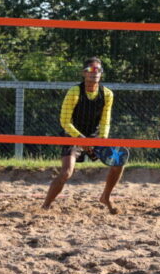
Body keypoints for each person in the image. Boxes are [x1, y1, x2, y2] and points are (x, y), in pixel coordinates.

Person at [42, 57, 121, 214]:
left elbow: (106, 121)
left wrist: (102, 139)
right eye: (91, 70)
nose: (95, 73)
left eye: (98, 70)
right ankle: (45, 206)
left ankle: (106, 196)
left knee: (119, 162)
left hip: (94, 136)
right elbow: (64, 121)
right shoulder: (75, 92)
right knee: (66, 173)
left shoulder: (107, 94)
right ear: (83, 73)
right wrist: (81, 140)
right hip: (73, 135)